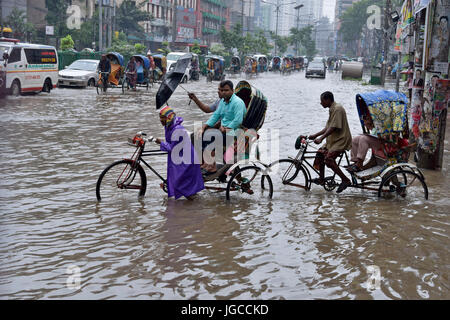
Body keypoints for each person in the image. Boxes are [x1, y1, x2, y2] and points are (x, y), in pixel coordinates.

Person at [304, 91, 353, 193]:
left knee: (329, 159)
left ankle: (346, 180)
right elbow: (328, 127)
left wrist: (321, 138)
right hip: (333, 140)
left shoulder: (338, 109)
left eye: (322, 101)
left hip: (341, 140)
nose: (321, 103)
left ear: (327, 100)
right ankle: (321, 179)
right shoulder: (332, 109)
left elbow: (334, 127)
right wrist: (315, 135)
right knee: (320, 153)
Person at [154, 106, 205, 200]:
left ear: (169, 117)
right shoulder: (168, 126)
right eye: (160, 118)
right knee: (177, 181)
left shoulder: (177, 129)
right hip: (179, 156)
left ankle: (193, 205)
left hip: (185, 159)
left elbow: (172, 148)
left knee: (180, 183)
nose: (161, 120)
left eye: (163, 118)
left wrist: (160, 142)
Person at [199, 80, 247, 173]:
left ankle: (212, 166)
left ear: (232, 91)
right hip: (223, 130)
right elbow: (215, 116)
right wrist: (204, 126)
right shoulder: (222, 102)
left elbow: (238, 120)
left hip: (235, 131)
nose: (223, 92)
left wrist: (227, 128)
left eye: (226, 90)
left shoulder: (238, 102)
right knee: (202, 134)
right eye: (222, 90)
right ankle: (207, 162)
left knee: (213, 136)